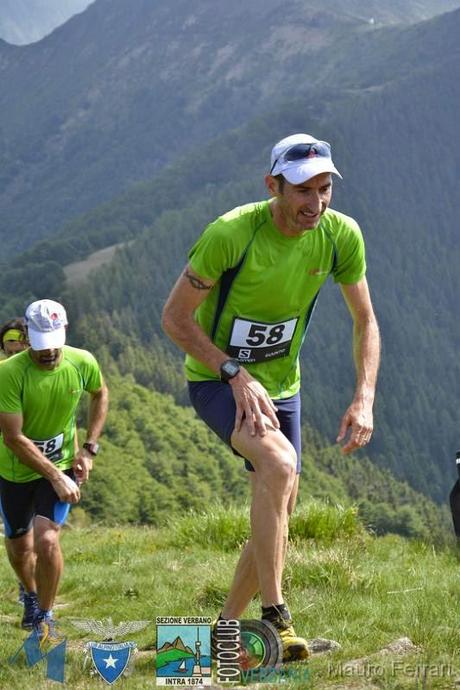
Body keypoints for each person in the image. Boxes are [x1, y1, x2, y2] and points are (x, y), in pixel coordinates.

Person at [162, 133, 380, 661]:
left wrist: (364, 396)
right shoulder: (231, 234)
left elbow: (365, 319)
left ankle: (221, 636)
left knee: (278, 503)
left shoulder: (339, 235)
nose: (316, 203)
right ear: (273, 185)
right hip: (218, 380)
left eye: (324, 189)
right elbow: (175, 320)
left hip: (284, 386)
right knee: (279, 467)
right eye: (303, 190)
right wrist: (234, 371)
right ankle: (277, 620)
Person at [0, 299, 109, 639]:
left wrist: (89, 447)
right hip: (15, 472)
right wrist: (55, 475)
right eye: (41, 345)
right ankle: (30, 593)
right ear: (29, 337)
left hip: (62, 463)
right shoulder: (8, 374)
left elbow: (100, 394)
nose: (49, 353)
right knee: (19, 546)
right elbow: (14, 438)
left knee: (47, 540)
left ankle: (45, 616)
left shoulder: (82, 361)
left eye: (55, 344)